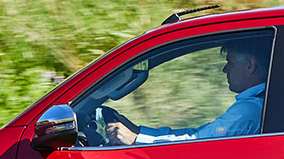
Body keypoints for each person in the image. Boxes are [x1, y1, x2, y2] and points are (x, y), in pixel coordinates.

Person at [103, 38, 269, 144]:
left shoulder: (250, 109)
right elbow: (199, 134)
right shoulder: (259, 103)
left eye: (230, 63)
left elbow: (197, 141)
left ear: (249, 66)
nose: (225, 69)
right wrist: (139, 131)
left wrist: (135, 139)